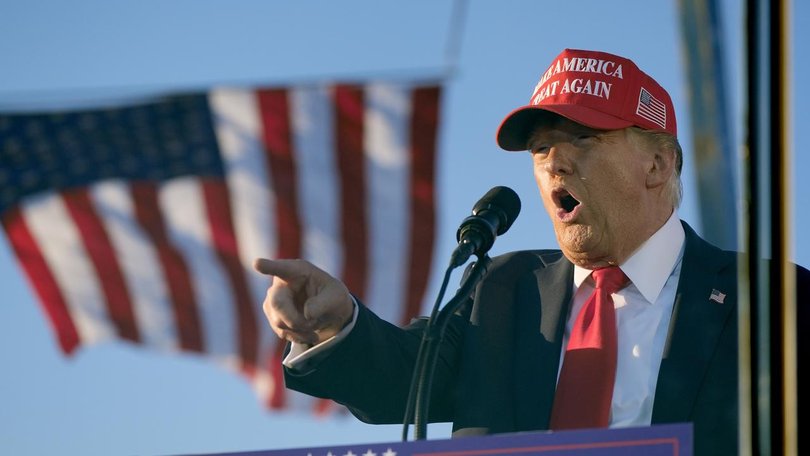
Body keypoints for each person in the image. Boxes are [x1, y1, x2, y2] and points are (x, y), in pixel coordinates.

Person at [253, 48, 809, 455]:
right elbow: (400, 380)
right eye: (541, 148)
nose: (554, 165)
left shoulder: (772, 302)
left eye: (583, 140)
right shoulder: (499, 289)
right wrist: (333, 325)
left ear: (659, 164)